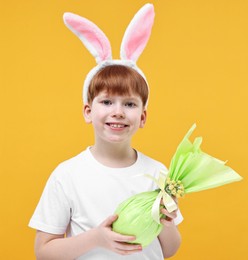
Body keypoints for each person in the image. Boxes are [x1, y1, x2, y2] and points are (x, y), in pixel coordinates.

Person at [29, 4, 182, 259]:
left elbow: (169, 249)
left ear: (142, 117)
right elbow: (43, 251)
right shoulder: (67, 175)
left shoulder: (158, 173)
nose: (118, 112)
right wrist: (96, 238)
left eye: (130, 104)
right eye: (107, 102)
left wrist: (166, 222)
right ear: (88, 111)